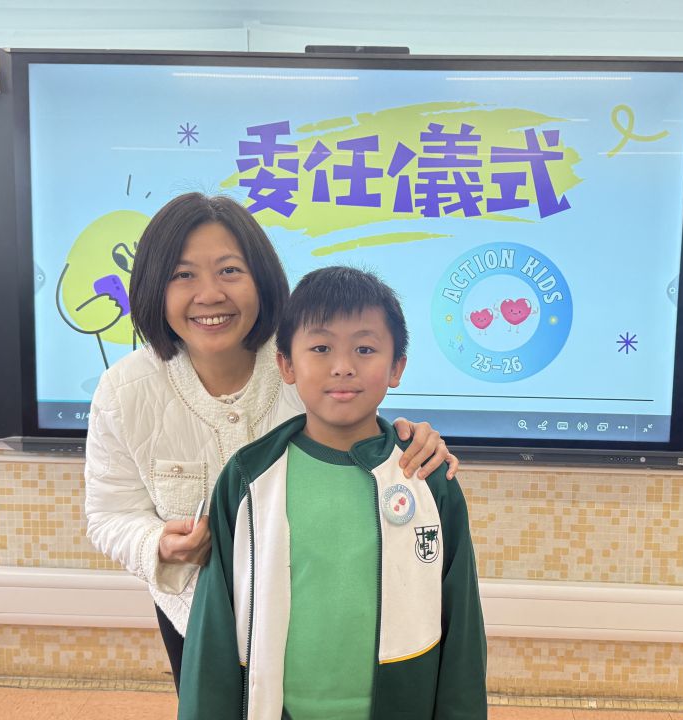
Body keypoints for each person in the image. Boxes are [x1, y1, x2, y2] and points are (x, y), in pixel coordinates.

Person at [83, 194, 457, 698]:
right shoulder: (123, 391)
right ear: (153, 287)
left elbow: (359, 427)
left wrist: (406, 442)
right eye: (183, 275)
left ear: (262, 279)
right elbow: (109, 513)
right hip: (196, 616)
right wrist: (158, 543)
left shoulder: (304, 361)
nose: (209, 294)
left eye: (230, 271)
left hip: (316, 613)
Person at [178, 266, 487, 720]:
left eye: (365, 349)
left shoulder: (426, 476)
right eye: (321, 348)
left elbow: (461, 627)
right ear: (286, 364)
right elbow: (214, 633)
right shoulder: (248, 479)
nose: (343, 366)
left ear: (397, 367)